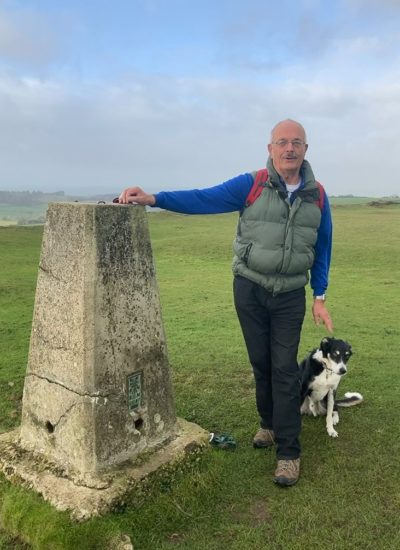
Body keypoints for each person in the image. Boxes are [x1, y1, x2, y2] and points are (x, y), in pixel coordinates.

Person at [118, 119, 333, 487]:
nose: (289, 149)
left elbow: (323, 244)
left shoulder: (318, 195)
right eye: (282, 142)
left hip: (289, 295)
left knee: (283, 369)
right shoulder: (251, 184)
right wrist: (155, 199)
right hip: (249, 289)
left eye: (296, 142)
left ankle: (288, 454)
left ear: (306, 150)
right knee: (261, 363)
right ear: (270, 149)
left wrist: (320, 294)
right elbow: (205, 198)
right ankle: (268, 424)